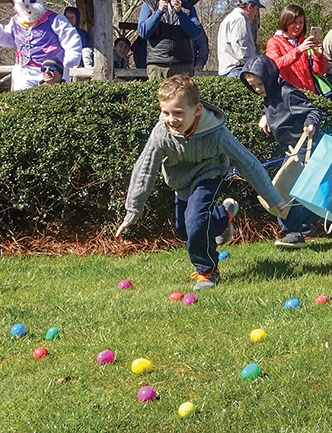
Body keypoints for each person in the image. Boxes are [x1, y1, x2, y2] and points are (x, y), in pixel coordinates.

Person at [116, 75, 288, 290]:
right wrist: (133, 210)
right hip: (181, 180)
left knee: (196, 221)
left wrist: (272, 197)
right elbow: (145, 169)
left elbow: (248, 163)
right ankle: (222, 216)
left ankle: (207, 271)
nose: (171, 119)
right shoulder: (162, 133)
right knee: (185, 230)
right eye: (166, 113)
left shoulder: (217, 133)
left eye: (178, 113)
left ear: (197, 110)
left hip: (209, 172)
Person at [240, 55, 326, 248]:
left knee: (286, 190)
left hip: (302, 148)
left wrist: (310, 124)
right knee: (290, 190)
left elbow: (314, 111)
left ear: (269, 77)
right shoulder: (270, 94)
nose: (257, 89)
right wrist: (266, 117)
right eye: (253, 86)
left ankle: (294, 232)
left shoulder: (287, 92)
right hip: (290, 150)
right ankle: (302, 228)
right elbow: (279, 111)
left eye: (260, 84)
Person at [136, 0, 208, 78]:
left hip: (183, 64)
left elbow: (196, 33)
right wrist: (159, 12)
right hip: (157, 64)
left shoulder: (187, 7)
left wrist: (180, 12)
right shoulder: (149, 6)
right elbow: (143, 32)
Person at [264, 4, 325, 93]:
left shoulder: (305, 42)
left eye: (301, 23)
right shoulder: (274, 42)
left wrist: (318, 56)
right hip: (288, 93)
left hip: (309, 93)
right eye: (294, 22)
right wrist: (299, 50)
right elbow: (274, 66)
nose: (298, 26)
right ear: (285, 22)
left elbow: (320, 72)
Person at [217, 0, 264, 76]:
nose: (257, 12)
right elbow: (240, 47)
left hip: (228, 68)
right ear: (250, 7)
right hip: (237, 69)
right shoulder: (239, 19)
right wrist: (252, 65)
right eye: (257, 9)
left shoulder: (230, 17)